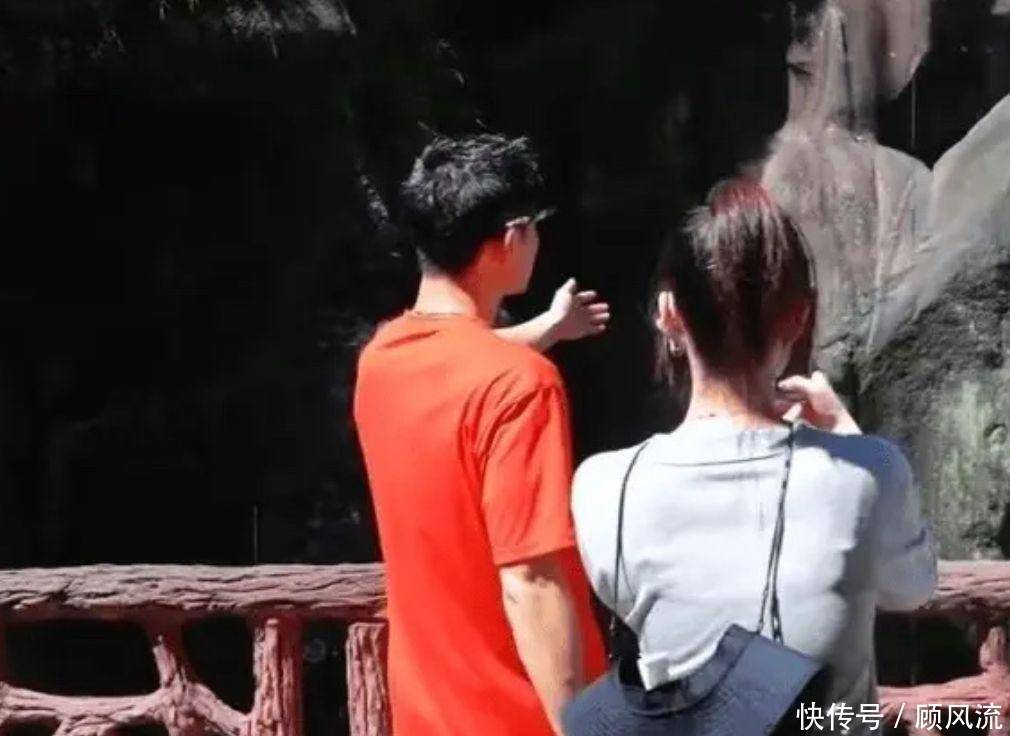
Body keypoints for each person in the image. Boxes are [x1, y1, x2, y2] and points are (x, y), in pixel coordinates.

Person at [571, 177, 937, 732]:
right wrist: (847, 435)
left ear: (669, 313)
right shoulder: (869, 472)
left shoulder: (602, 487)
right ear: (797, 317)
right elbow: (912, 588)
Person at [354, 133, 608, 736]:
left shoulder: (381, 362)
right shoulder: (522, 387)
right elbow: (530, 580)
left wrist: (548, 327)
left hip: (426, 718)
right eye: (536, 226)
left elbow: (461, 357)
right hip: (516, 719)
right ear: (513, 235)